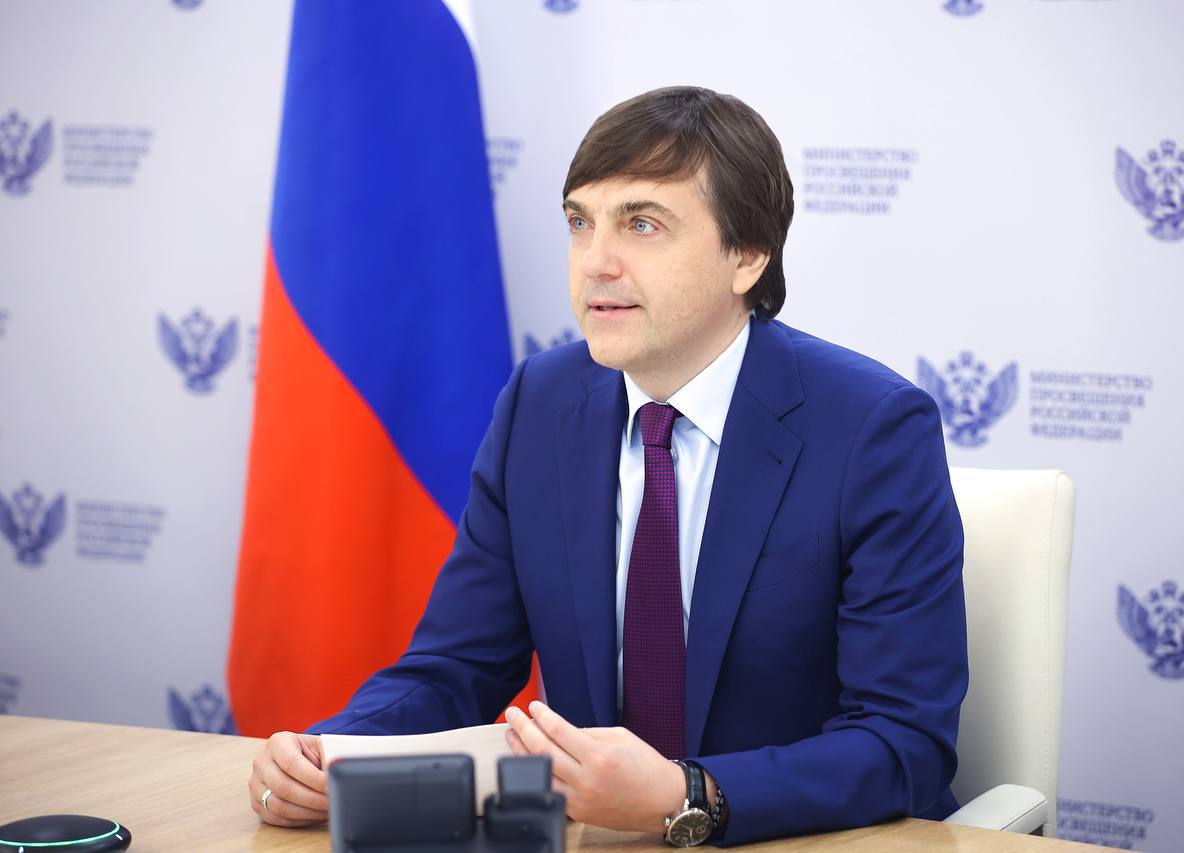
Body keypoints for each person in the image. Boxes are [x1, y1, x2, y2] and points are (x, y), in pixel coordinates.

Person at [247, 86, 967, 846]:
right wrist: (331, 753)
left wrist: (689, 793)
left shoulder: (873, 428)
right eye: (579, 223)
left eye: (642, 224)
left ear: (748, 255)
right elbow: (456, 666)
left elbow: (904, 740)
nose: (596, 263)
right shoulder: (538, 403)